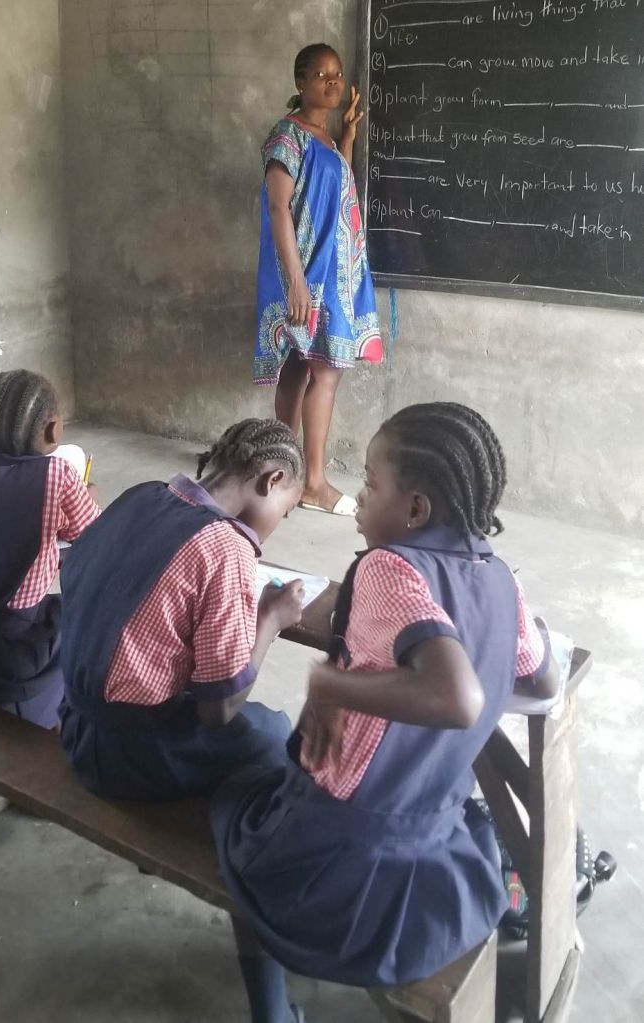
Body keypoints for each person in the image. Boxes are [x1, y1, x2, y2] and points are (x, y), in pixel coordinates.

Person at [211, 402, 559, 1022]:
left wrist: (331, 685)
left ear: (416, 509)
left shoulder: (388, 569)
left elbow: (457, 696)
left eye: (371, 486)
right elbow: (544, 675)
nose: (359, 503)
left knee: (233, 801)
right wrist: (519, 629)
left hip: (337, 871)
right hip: (434, 867)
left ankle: (271, 1009)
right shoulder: (502, 581)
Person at [59, 419, 306, 801]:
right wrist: (270, 620)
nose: (279, 522)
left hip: (74, 721)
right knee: (274, 733)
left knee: (253, 719)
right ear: (272, 481)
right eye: (285, 510)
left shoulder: (141, 494)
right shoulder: (226, 546)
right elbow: (219, 710)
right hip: (129, 754)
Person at [255, 42, 383, 517]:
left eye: (337, 74)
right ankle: (311, 482)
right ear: (300, 82)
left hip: (332, 273)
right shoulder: (286, 137)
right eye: (320, 75)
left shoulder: (325, 140)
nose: (332, 82)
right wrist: (296, 281)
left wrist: (347, 137)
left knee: (299, 367)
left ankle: (280, 471)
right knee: (325, 369)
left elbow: (336, 188)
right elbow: (278, 207)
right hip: (308, 274)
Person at [0, 369, 100, 728]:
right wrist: (89, 496)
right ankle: (52, 716)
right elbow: (93, 535)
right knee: (85, 616)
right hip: (9, 647)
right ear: (53, 431)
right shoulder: (58, 474)